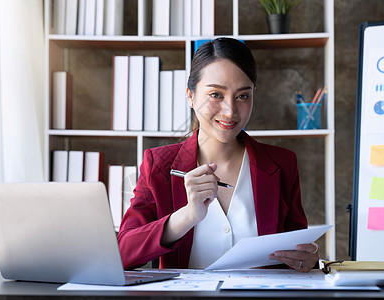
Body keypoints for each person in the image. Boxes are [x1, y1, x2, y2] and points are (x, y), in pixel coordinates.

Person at [117, 37, 319, 272]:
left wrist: (308, 259)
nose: (230, 111)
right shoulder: (158, 164)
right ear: (190, 96)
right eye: (216, 94)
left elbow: (297, 252)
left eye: (243, 95)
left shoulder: (283, 164)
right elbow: (123, 254)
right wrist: (187, 216)